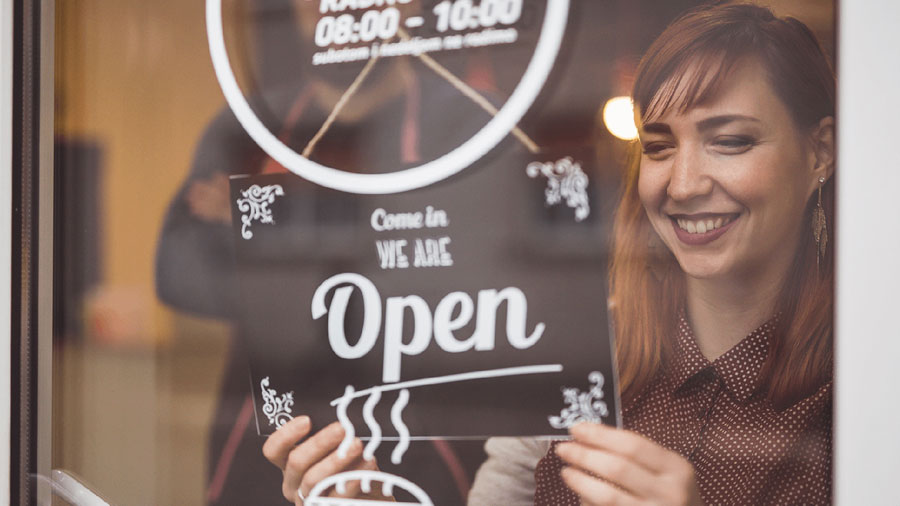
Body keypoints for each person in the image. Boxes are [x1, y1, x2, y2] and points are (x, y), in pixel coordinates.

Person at [263, 3, 836, 505]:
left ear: (820, 152)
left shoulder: (862, 392)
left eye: (730, 141)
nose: (683, 184)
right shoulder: (576, 357)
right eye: (659, 146)